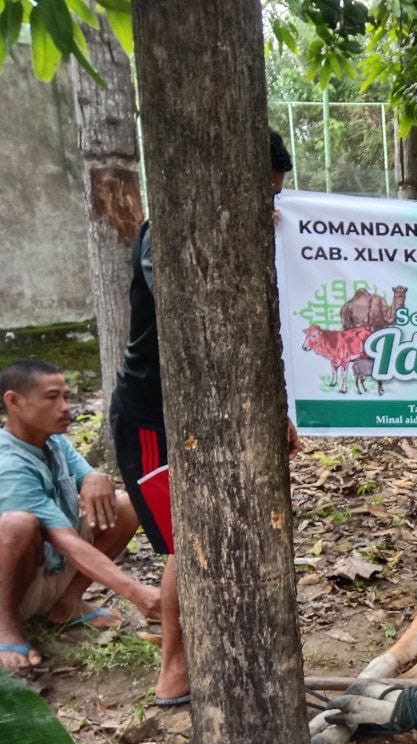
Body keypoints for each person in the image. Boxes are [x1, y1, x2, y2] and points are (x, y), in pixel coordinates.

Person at [108, 129, 298, 706]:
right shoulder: (164, 232)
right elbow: (190, 297)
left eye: (273, 199)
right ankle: (174, 670)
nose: (267, 210)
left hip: (215, 415)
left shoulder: (247, 240)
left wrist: (276, 408)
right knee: (181, 542)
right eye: (260, 197)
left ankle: (218, 648)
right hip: (151, 417)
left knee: (221, 532)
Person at [0, 360, 162, 672]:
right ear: (14, 401)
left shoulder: (52, 439)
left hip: (47, 569)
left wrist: (94, 476)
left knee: (125, 505)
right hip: (14, 579)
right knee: (18, 524)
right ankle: (5, 626)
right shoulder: (9, 464)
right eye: (52, 397)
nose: (65, 407)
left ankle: (65, 606)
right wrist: (136, 592)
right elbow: (65, 541)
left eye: (65, 396)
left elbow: (90, 478)